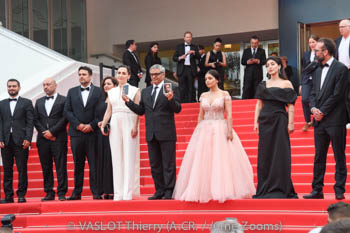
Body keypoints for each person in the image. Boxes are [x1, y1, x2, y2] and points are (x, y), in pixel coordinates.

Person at [173, 69, 255, 203]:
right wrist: (198, 130)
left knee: (220, 160)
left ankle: (222, 189)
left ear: (217, 80)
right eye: (205, 79)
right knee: (203, 161)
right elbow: (201, 114)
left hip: (220, 128)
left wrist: (229, 130)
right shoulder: (203, 95)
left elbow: (229, 114)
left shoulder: (224, 94)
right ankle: (204, 190)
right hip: (205, 128)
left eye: (210, 78)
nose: (207, 81)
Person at [123, 64, 182, 200]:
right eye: (152, 74)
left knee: (168, 163)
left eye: (157, 74)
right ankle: (159, 190)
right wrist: (128, 102)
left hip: (166, 132)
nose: (154, 77)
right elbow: (141, 111)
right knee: (155, 164)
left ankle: (169, 191)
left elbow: (177, 109)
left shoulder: (171, 89)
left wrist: (170, 99)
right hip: (151, 133)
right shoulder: (146, 91)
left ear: (163, 75)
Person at [303, 38, 349, 201]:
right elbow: (314, 92)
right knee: (319, 156)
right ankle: (317, 190)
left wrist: (322, 110)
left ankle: (339, 189)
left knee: (339, 155)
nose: (314, 53)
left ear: (326, 52)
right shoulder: (316, 69)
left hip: (336, 118)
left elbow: (338, 95)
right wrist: (314, 108)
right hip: (319, 120)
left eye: (317, 50)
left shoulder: (341, 69)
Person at [253, 56, 298, 199]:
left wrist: (291, 123)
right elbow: (259, 105)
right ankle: (265, 187)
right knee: (265, 154)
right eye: (267, 65)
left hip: (280, 119)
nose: (270, 67)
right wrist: (255, 122)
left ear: (279, 66)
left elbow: (291, 105)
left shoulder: (286, 84)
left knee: (281, 153)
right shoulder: (263, 84)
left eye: (272, 64)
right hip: (265, 120)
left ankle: (281, 186)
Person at [101, 65, 140, 201]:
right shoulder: (111, 92)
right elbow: (109, 110)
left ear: (129, 76)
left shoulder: (135, 90)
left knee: (129, 156)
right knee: (116, 156)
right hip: (115, 121)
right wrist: (104, 123)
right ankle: (118, 193)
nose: (121, 75)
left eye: (124, 73)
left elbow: (137, 110)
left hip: (129, 120)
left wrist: (135, 126)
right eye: (119, 73)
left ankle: (128, 193)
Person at [64, 66, 102, 200]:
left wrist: (91, 125)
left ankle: (96, 192)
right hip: (76, 134)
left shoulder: (99, 91)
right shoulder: (72, 91)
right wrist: (78, 125)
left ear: (90, 76)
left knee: (94, 164)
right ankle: (76, 192)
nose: (81, 76)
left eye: (84, 74)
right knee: (77, 164)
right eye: (79, 74)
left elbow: (101, 111)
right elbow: (67, 111)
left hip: (93, 133)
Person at [33, 78, 68, 201]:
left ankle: (62, 192)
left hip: (58, 137)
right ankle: (49, 192)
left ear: (55, 85)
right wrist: (45, 133)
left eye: (48, 84)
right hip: (43, 139)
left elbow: (65, 118)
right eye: (44, 85)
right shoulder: (39, 102)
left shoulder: (64, 100)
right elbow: (35, 119)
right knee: (46, 166)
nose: (46, 87)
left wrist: (52, 132)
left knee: (61, 165)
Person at [0, 79, 34, 203]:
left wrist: (28, 138)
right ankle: (8, 196)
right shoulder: (1, 104)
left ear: (19, 87)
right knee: (7, 170)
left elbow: (30, 122)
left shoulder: (27, 103)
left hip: (21, 141)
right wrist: (0, 138)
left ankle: (21, 195)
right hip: (6, 141)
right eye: (9, 86)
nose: (11, 88)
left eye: (14, 86)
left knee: (22, 169)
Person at [95, 76, 117, 199]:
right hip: (102, 134)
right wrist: (100, 123)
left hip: (114, 132)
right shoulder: (100, 100)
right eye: (104, 84)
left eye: (109, 83)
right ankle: (104, 190)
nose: (106, 86)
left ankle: (114, 189)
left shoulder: (118, 98)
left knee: (112, 161)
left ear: (114, 85)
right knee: (103, 161)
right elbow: (96, 115)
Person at [173, 31, 200, 103]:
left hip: (191, 69)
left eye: (190, 37)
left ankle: (191, 102)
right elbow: (174, 58)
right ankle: (181, 103)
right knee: (182, 87)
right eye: (187, 37)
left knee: (191, 87)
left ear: (191, 38)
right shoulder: (179, 46)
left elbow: (199, 57)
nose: (188, 38)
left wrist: (194, 52)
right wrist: (180, 57)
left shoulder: (194, 47)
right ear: (184, 38)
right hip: (182, 69)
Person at [301, 35, 319, 132]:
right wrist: (301, 83)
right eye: (310, 42)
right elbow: (304, 69)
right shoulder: (306, 54)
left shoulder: (320, 53)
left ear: (317, 42)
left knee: (316, 99)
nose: (311, 44)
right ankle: (307, 121)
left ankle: (314, 120)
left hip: (317, 80)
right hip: (307, 80)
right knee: (304, 99)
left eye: (313, 42)